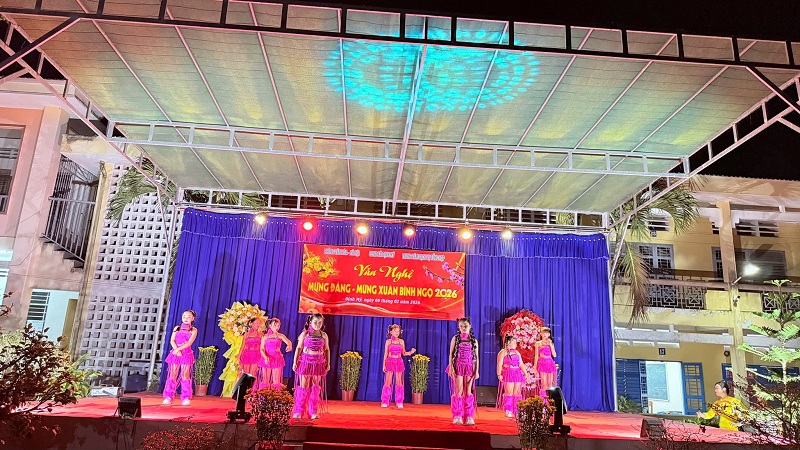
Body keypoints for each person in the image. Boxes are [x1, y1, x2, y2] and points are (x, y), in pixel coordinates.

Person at [292, 313, 330, 419]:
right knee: (303, 386)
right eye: (315, 322)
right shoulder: (305, 334)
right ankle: (299, 411)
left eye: (320, 322)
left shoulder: (324, 335)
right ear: (310, 322)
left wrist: (328, 363)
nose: (317, 324)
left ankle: (313, 411)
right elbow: (298, 348)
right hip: (306, 362)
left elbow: (327, 349)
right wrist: (295, 362)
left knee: (315, 386)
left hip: (318, 363)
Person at [163, 310, 198, 406]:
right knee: (172, 375)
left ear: (192, 318)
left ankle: (186, 397)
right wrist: (176, 350)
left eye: (188, 317)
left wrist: (179, 349)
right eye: (184, 316)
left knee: (185, 376)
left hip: (186, 354)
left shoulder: (193, 330)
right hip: (176, 353)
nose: (186, 318)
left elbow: (189, 343)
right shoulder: (177, 328)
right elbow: (172, 340)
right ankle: (168, 396)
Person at [448, 317, 479, 425]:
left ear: (470, 326)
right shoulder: (455, 338)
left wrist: (477, 371)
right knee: (458, 390)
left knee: (468, 391)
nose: (463, 328)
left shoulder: (473, 340)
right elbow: (451, 354)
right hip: (458, 367)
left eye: (465, 326)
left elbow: (476, 357)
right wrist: (451, 367)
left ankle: (469, 415)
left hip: (469, 367)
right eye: (461, 326)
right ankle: (457, 415)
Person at [381, 324, 416, 408]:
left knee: (399, 382)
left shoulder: (401, 341)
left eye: (398, 331)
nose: (397, 333)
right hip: (390, 361)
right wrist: (384, 365)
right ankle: (385, 401)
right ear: (391, 332)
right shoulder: (388, 341)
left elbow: (404, 353)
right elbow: (385, 354)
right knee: (388, 382)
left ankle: (399, 401)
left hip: (399, 362)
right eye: (395, 331)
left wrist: (410, 352)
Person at [497, 335, 531, 418]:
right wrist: (499, 374)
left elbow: (521, 363)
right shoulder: (503, 352)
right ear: (508, 343)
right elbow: (499, 364)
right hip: (508, 373)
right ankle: (508, 410)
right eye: (514, 343)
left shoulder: (517, 352)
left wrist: (525, 373)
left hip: (517, 373)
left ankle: (517, 410)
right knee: (509, 392)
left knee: (517, 392)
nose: (516, 344)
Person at [258, 318, 293, 389]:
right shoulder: (265, 336)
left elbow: (289, 342)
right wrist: (265, 357)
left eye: (278, 325)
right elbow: (261, 349)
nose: (277, 327)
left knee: (276, 381)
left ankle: (276, 394)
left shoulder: (280, 335)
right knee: (265, 381)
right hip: (267, 358)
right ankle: (264, 394)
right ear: (270, 326)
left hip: (276, 358)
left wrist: (289, 346)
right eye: (275, 325)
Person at [534, 327, 557, 398]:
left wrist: (550, 345)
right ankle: (543, 401)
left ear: (549, 334)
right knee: (544, 384)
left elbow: (554, 355)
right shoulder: (538, 343)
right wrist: (535, 368)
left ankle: (550, 400)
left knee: (550, 384)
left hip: (550, 363)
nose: (544, 334)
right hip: (542, 363)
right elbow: (536, 356)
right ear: (541, 334)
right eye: (543, 333)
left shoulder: (551, 343)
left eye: (546, 333)